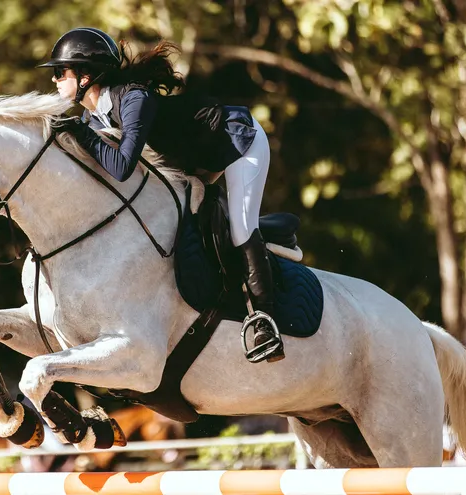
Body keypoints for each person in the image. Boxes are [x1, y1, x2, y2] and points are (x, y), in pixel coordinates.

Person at [37, 27, 284, 362]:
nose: (54, 80)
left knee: (241, 226)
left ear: (85, 76)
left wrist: (83, 134)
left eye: (59, 72)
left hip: (236, 140)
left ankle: (265, 318)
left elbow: (122, 166)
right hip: (195, 156)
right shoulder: (91, 116)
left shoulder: (133, 99)